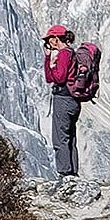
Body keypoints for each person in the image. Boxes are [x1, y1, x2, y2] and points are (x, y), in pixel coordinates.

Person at [44, 24, 81, 177]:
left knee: (60, 137)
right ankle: (72, 171)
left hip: (63, 99)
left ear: (55, 39)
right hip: (72, 100)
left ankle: (65, 173)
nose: (47, 43)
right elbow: (49, 78)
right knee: (70, 136)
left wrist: (52, 63)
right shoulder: (70, 53)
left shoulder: (64, 54)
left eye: (49, 39)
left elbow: (59, 77)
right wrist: (49, 58)